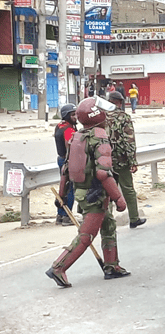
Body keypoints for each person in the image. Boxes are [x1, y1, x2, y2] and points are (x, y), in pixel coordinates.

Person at [46, 97, 130, 287]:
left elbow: (65, 170)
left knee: (108, 226)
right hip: (95, 194)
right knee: (86, 235)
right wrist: (118, 198)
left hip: (82, 192)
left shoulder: (77, 136)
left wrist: (62, 195)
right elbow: (102, 173)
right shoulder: (99, 137)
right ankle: (59, 267)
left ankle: (112, 266)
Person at [106, 91, 146, 229]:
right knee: (128, 189)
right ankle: (134, 218)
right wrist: (133, 161)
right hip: (121, 159)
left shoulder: (101, 117)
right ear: (119, 102)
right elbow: (129, 141)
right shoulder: (123, 117)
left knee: (108, 191)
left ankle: (108, 222)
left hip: (104, 161)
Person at [54, 104, 78, 226]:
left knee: (63, 188)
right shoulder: (69, 129)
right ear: (66, 115)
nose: (75, 116)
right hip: (68, 161)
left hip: (61, 159)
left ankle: (60, 215)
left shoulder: (59, 126)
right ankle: (66, 217)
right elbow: (71, 146)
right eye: (73, 114)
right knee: (69, 189)